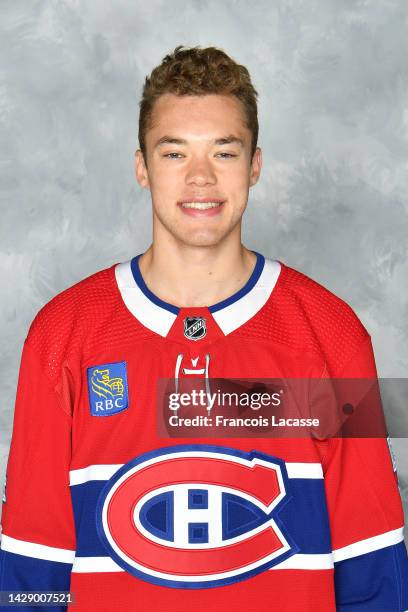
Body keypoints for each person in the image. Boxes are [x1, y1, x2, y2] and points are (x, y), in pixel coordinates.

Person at [0, 45, 407, 611]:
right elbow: (30, 570)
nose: (200, 178)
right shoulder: (63, 335)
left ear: (255, 166)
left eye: (224, 152)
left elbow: (372, 569)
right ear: (141, 166)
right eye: (173, 153)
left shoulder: (331, 334)